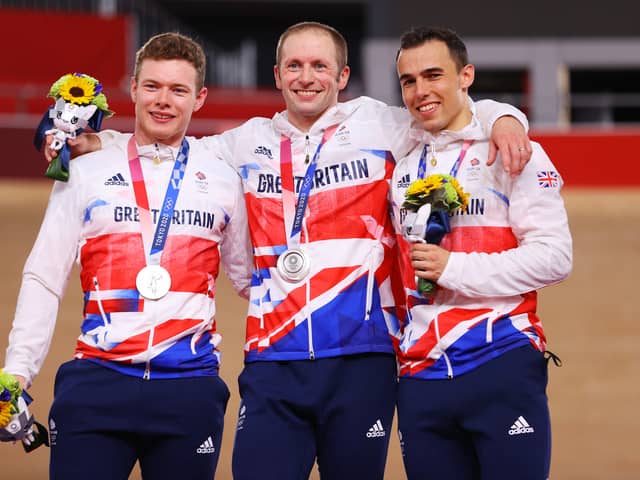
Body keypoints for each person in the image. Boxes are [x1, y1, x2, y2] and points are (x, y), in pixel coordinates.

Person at [49, 22, 533, 480]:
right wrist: (101, 141)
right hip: (272, 361)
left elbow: (448, 110)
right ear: (277, 75)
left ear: (342, 76)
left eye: (320, 66)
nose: (307, 77)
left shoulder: (381, 125)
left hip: (362, 360)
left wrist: (506, 118)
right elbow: (171, 145)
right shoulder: (244, 144)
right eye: (295, 66)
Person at [2, 32, 252, 480]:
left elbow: (250, 279)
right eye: (152, 86)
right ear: (133, 88)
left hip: (189, 388)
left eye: (178, 90)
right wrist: (17, 373)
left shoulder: (222, 177)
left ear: (200, 98)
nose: (163, 101)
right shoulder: (84, 170)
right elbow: (44, 275)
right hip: (97, 380)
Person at [391, 26, 572, 480]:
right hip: (420, 376)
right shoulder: (400, 155)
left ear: (465, 75)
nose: (420, 91)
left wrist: (455, 268)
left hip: (501, 360)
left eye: (433, 75)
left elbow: (555, 258)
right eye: (408, 81)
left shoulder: (512, 152)